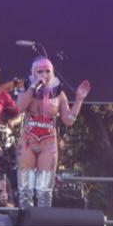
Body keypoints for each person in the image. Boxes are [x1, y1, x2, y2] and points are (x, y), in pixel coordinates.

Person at [16, 56, 91, 209]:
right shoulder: (27, 89)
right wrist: (33, 88)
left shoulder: (59, 94)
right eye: (40, 71)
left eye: (47, 71)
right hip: (28, 141)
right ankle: (25, 221)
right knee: (25, 190)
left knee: (45, 193)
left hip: (48, 143)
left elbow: (68, 120)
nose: (44, 74)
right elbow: (19, 107)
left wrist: (79, 100)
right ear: (33, 73)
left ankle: (43, 221)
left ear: (52, 72)